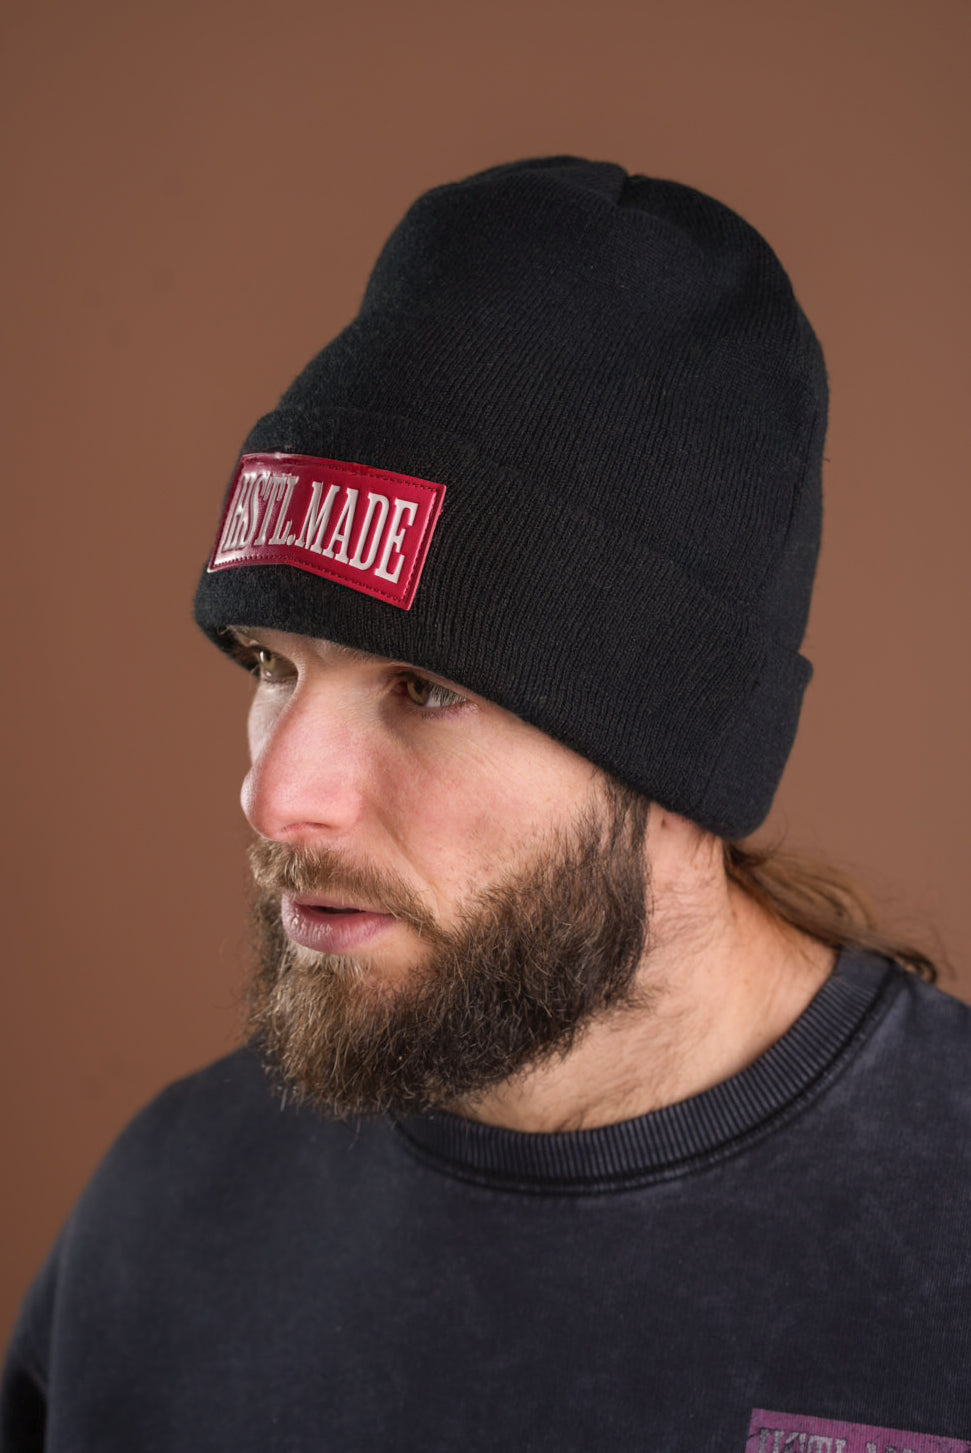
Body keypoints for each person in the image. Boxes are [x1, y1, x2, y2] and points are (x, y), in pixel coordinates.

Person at [3, 157, 969, 1452]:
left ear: (679, 757)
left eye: (424, 688)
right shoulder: (164, 1224)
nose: (277, 796)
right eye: (274, 667)